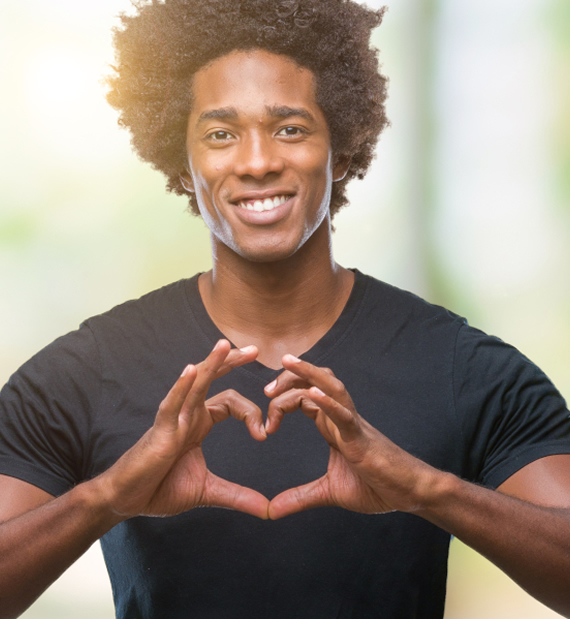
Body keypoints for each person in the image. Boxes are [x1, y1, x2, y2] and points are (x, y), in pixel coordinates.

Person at [1, 0, 569, 617]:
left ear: (343, 149)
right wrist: (107, 498)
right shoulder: (88, 371)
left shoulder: (461, 367)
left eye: (290, 128)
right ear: (184, 164)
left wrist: (426, 489)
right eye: (220, 134)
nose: (256, 161)